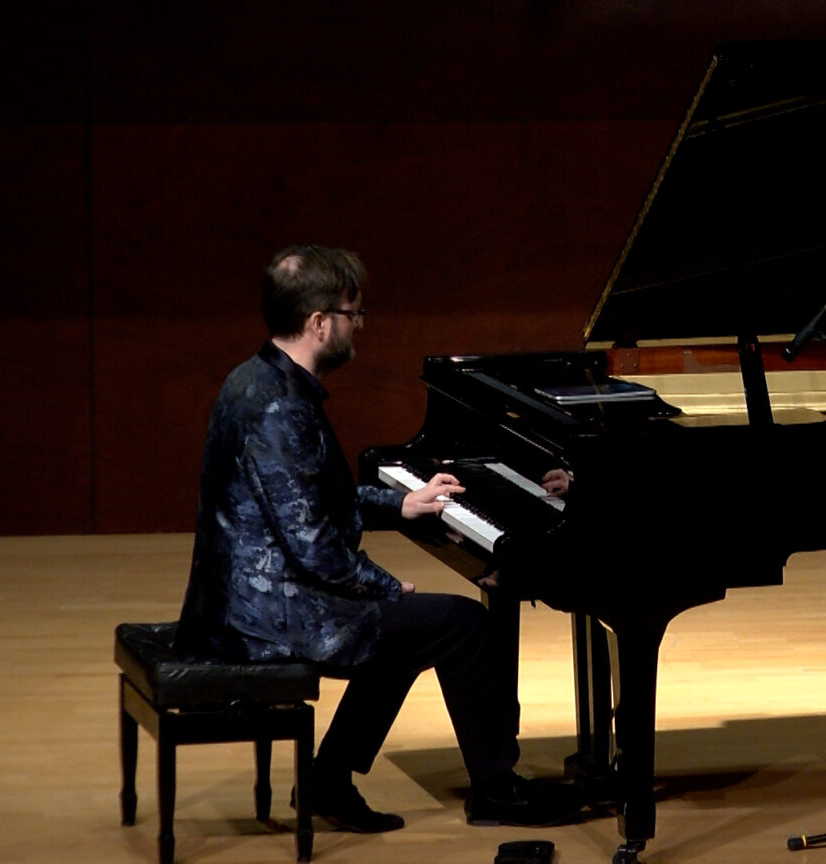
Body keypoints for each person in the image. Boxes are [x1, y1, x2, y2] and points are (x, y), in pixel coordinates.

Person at [173, 244, 581, 832]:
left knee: (410, 630)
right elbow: (311, 542)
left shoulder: (256, 378)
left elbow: (308, 503)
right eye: (353, 314)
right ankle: (497, 791)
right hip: (265, 616)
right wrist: (382, 585)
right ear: (319, 323)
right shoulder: (280, 410)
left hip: (248, 599)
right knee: (461, 625)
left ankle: (329, 780)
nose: (359, 327)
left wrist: (401, 503)